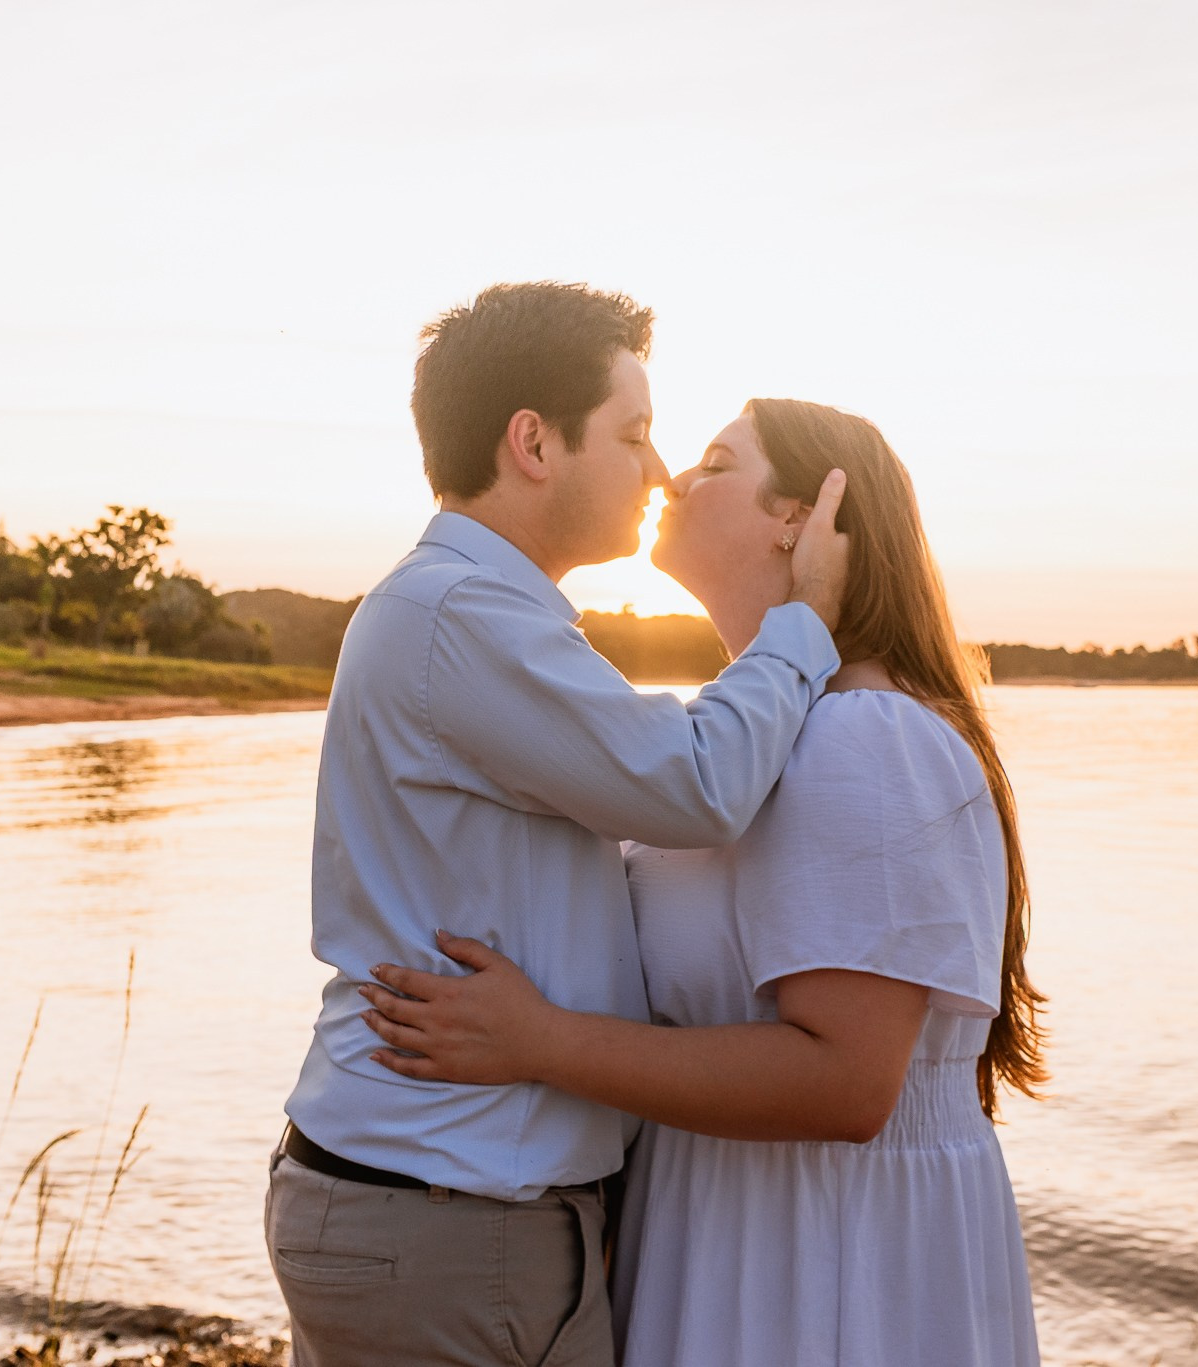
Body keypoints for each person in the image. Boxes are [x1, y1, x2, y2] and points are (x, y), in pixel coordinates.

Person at [358, 398, 1047, 1367]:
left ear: (799, 518)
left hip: (820, 1260)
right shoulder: (739, 737)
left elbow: (847, 1082)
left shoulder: (863, 737)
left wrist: (538, 1039)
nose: (673, 473)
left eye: (717, 460)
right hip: (730, 1226)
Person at [269, 283, 853, 1367]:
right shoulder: (458, 616)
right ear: (532, 442)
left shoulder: (477, 613)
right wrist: (803, 622)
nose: (659, 468)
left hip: (436, 1204)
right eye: (632, 434)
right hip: (449, 1219)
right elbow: (694, 782)